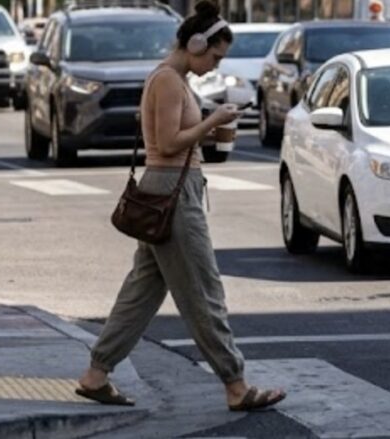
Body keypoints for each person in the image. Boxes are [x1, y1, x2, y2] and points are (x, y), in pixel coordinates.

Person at [75, 0, 286, 412]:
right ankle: (236, 385)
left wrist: (212, 127)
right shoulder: (170, 80)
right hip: (173, 191)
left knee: (142, 290)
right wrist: (212, 121)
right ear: (195, 42)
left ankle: (96, 374)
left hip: (167, 189)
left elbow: (173, 138)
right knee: (204, 290)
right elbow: (169, 143)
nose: (214, 64)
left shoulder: (173, 79)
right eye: (214, 55)